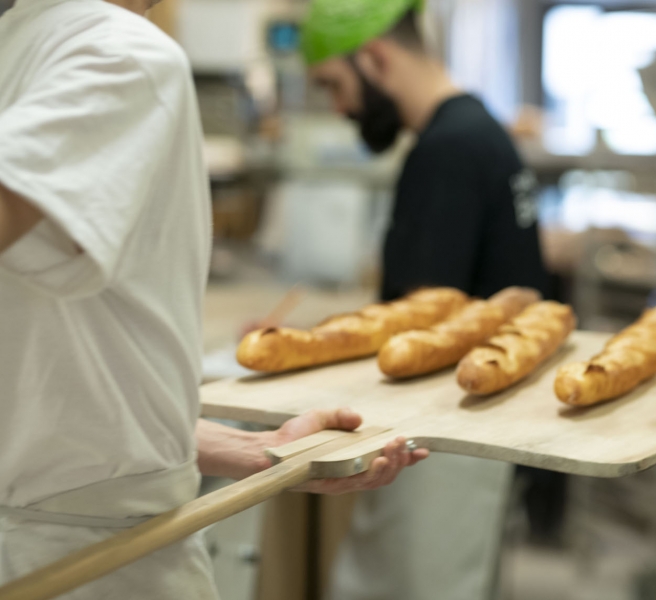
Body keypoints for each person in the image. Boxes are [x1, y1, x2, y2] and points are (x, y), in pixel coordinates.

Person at [0, 0, 426, 597]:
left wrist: (250, 448)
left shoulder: (17, 43)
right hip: (93, 567)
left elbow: (54, 367)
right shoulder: (123, 51)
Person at [301, 1, 551, 598]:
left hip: (440, 439)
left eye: (334, 85)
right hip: (481, 428)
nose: (339, 108)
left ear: (375, 58)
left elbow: (421, 320)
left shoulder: (446, 151)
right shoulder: (479, 129)